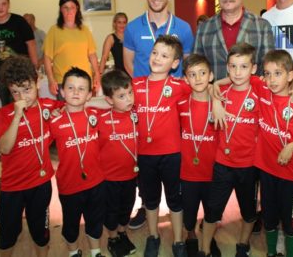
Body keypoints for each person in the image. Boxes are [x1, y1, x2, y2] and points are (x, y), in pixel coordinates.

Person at [199, 43, 261, 257]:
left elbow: (283, 80)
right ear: (226, 67)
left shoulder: (260, 90)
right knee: (212, 211)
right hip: (223, 165)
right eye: (232, 66)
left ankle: (242, 246)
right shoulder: (221, 90)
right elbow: (206, 86)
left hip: (249, 166)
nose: (237, 72)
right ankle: (204, 249)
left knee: (249, 211)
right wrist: (215, 97)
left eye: (243, 67)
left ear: (253, 69)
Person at [254, 49, 293, 257]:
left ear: (290, 76)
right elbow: (237, 76)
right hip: (267, 171)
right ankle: (271, 252)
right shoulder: (263, 93)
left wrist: (291, 146)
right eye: (268, 73)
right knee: (269, 218)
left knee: (291, 222)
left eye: (278, 73)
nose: (271, 79)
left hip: (291, 175)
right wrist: (215, 88)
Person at [133, 35, 190, 257]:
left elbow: (205, 88)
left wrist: (215, 99)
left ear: (175, 63)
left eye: (165, 56)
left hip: (172, 155)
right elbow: (113, 100)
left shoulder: (179, 86)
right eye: (155, 52)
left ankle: (178, 241)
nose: (157, 58)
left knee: (175, 200)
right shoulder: (135, 84)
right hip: (145, 155)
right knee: (150, 199)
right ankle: (153, 236)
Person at [0, 56, 60, 257]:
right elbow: (5, 148)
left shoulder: (48, 107)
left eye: (26, 89)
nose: (22, 96)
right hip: (13, 186)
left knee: (40, 232)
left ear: (37, 81)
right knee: (8, 234)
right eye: (15, 92)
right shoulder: (6, 113)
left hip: (40, 183)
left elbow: (77, 105)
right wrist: (17, 116)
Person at [49, 67, 106, 257]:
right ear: (62, 91)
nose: (75, 92)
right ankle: (73, 253)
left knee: (95, 220)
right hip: (69, 184)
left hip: (96, 182)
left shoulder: (95, 116)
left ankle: (96, 251)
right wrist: (54, 109)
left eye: (82, 89)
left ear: (89, 94)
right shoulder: (54, 121)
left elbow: (110, 102)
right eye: (71, 88)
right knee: (71, 223)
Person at [194, 0, 274, 80]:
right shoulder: (204, 29)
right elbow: (196, 67)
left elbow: (269, 69)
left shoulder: (262, 26)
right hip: (215, 95)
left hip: (251, 95)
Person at [178, 54, 220, 257]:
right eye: (192, 75)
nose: (198, 78)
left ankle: (207, 243)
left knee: (212, 214)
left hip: (213, 173)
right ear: (186, 80)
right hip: (188, 173)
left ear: (211, 75)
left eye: (203, 73)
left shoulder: (220, 105)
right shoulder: (180, 104)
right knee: (189, 216)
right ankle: (191, 236)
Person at [98, 69, 137, 257]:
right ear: (109, 99)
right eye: (121, 96)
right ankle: (112, 237)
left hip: (131, 175)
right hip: (109, 178)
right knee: (111, 210)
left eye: (130, 92)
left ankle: (122, 233)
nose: (128, 98)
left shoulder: (137, 116)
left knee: (127, 207)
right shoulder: (100, 119)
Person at [123, 0, 194, 78]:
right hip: (144, 92)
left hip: (173, 93)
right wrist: (144, 85)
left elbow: (188, 65)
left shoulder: (184, 28)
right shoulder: (132, 28)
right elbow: (128, 64)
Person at [0, 0, 37, 105]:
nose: (0, 8)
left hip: (21, 74)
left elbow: (31, 44)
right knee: (7, 110)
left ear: (9, 5)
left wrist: (34, 69)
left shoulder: (20, 21)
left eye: (4, 4)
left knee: (25, 106)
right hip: (1, 77)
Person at [44, 0, 101, 99]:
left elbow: (92, 55)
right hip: (64, 81)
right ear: (61, 9)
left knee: (85, 113)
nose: (69, 11)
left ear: (77, 9)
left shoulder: (85, 30)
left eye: (72, 7)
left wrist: (97, 75)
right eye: (65, 8)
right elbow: (47, 58)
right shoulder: (54, 30)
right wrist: (51, 80)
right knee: (65, 113)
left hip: (84, 80)